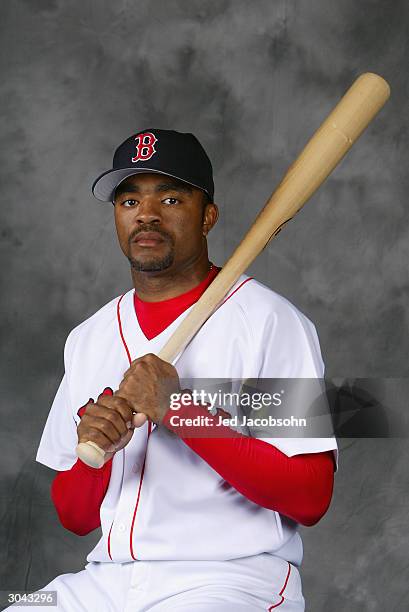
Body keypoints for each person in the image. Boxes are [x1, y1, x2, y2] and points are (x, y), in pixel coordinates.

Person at [8, 129, 337, 611]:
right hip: (105, 578)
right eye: (128, 200)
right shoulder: (88, 337)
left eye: (170, 197)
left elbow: (312, 496)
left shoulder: (269, 321)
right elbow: (74, 518)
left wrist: (180, 410)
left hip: (228, 578)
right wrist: (93, 460)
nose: (146, 214)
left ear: (208, 216)